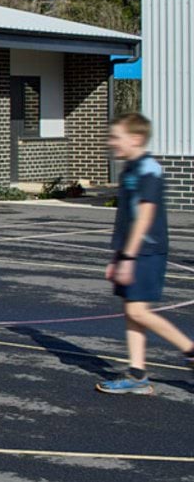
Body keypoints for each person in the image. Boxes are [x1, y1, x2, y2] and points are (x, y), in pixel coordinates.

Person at [95, 112, 194, 395]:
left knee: (138, 310)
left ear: (136, 138)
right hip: (130, 251)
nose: (111, 142)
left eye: (116, 137)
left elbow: (145, 216)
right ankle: (137, 374)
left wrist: (128, 258)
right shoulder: (129, 169)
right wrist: (117, 256)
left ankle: (190, 349)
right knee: (132, 310)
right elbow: (126, 218)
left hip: (147, 250)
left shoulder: (149, 168)